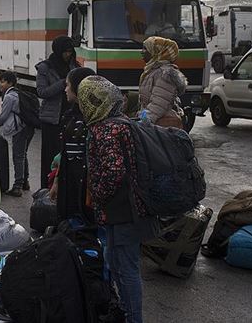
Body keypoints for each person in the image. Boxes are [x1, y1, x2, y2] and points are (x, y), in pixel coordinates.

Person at [78, 75, 156, 323]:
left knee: (127, 268)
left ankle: (133, 318)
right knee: (117, 263)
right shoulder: (120, 122)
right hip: (124, 209)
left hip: (123, 211)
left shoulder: (106, 130)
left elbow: (113, 171)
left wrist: (98, 194)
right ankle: (124, 310)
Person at [49, 67, 95, 222]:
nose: (65, 89)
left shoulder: (94, 120)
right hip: (69, 182)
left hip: (86, 188)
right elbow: (65, 154)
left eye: (68, 85)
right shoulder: (71, 115)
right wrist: (57, 181)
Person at [36, 35, 79, 189]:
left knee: (68, 155)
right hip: (52, 119)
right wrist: (63, 83)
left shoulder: (74, 65)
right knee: (50, 157)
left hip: (70, 117)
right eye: (65, 52)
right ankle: (46, 189)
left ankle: (64, 188)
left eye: (70, 51)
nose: (68, 55)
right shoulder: (45, 68)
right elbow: (42, 92)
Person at [0, 70, 34, 197]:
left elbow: (3, 116)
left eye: (3, 82)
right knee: (22, 154)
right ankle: (25, 182)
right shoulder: (17, 93)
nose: (0, 84)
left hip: (19, 129)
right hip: (28, 127)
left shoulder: (9, 97)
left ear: (10, 83)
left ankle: (17, 187)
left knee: (18, 156)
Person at [139, 36, 187, 129]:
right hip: (154, 124)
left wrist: (143, 121)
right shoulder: (153, 71)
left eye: (146, 48)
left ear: (156, 52)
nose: (141, 51)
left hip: (161, 128)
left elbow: (159, 103)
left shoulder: (165, 73)